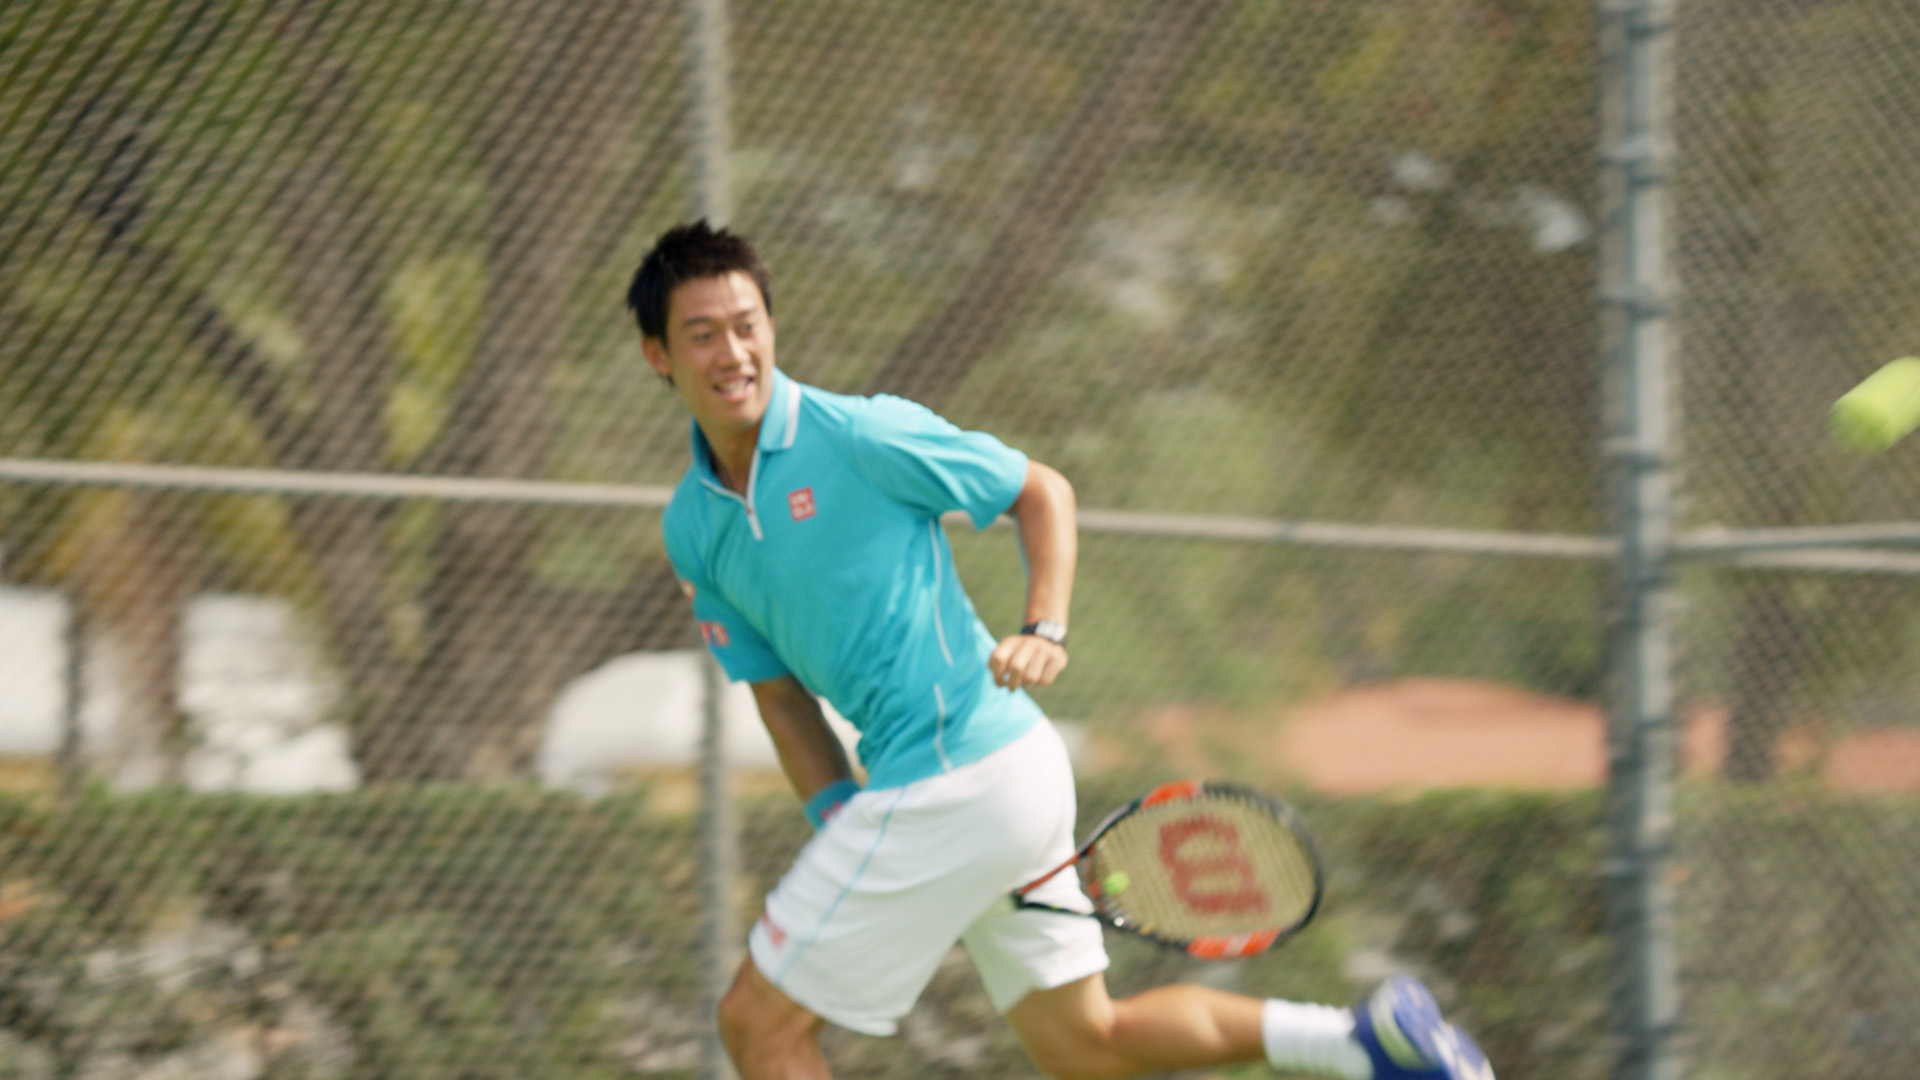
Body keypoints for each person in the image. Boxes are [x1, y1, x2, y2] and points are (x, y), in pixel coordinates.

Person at [626, 220, 1494, 1080]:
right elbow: (778, 695)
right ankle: (1364, 1041)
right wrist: (833, 817)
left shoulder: (860, 436)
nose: (732, 352)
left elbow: (1042, 492)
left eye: (747, 327)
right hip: (986, 780)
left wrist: (1044, 627)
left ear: (772, 330)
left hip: (959, 773)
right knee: (1087, 1046)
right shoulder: (694, 528)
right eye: (702, 335)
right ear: (658, 355)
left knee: (757, 1026)